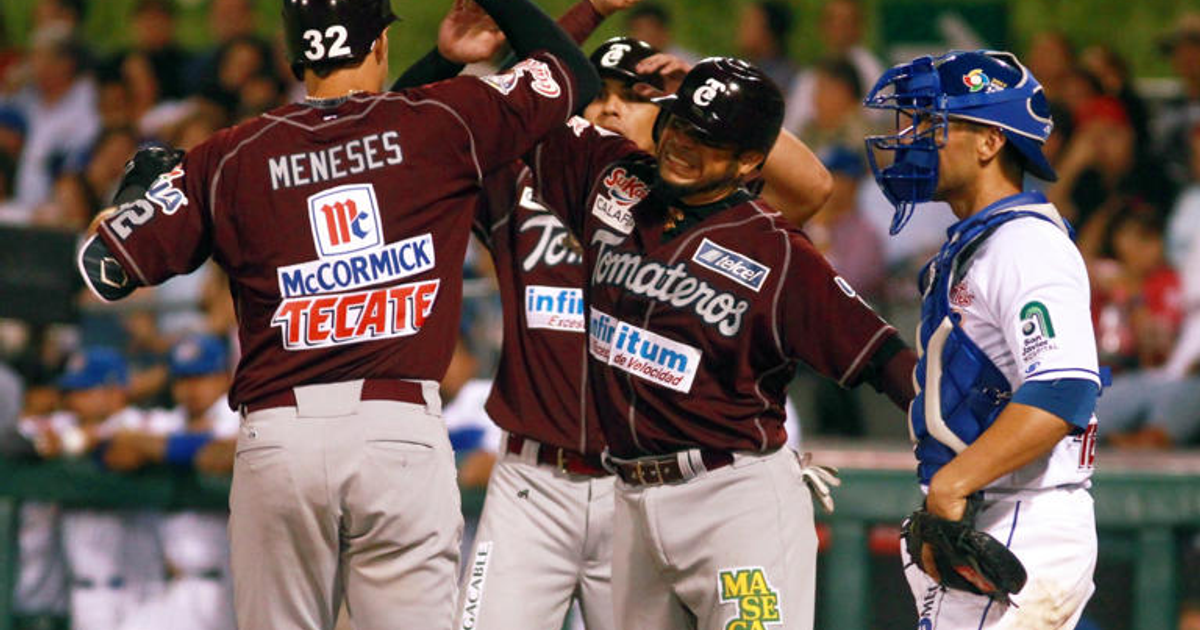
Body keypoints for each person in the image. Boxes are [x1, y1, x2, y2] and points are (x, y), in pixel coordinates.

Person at [74, 1, 601, 628]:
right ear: (380, 45)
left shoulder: (230, 157)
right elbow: (573, 77)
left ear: (295, 56)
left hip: (280, 438)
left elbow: (105, 267)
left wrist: (141, 192)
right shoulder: (442, 121)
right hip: (397, 429)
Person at [394, 18, 833, 629]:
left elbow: (812, 188)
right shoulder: (524, 184)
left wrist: (706, 86)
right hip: (533, 481)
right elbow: (412, 127)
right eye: (598, 92)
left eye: (634, 97)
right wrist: (575, 16)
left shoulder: (713, 218)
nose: (611, 109)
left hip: (646, 490)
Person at [514, 57, 914, 630]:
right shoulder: (615, 183)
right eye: (679, 124)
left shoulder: (775, 251)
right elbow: (528, 96)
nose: (682, 143)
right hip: (629, 498)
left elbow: (883, 357)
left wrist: (963, 449)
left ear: (750, 160)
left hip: (732, 500)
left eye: (707, 137)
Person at [863, 50, 1101, 628]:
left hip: (1019, 513)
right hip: (1000, 510)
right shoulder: (987, 240)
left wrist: (953, 482)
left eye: (932, 123)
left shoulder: (1026, 245)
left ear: (990, 142)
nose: (914, 137)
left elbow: (1065, 389)